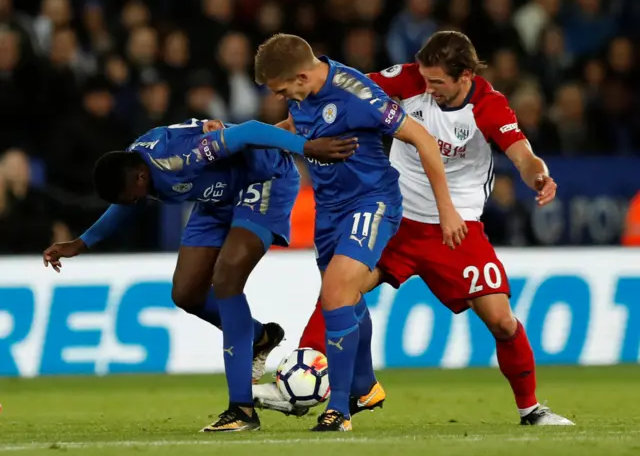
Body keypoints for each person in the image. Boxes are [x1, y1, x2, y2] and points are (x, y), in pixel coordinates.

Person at [254, 31, 574, 426]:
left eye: (438, 82)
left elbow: (523, 155)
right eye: (426, 79)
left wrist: (538, 176)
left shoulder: (489, 105)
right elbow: (342, 90)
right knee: (338, 288)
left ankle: (531, 409)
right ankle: (298, 381)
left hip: (455, 229)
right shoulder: (406, 80)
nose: (429, 88)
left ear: (466, 76)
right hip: (397, 219)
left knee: (502, 322)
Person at [42, 117, 357, 432]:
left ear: (140, 175)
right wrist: (82, 243)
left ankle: (242, 409)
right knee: (186, 292)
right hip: (216, 199)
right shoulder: (135, 167)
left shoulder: (182, 155)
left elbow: (249, 131)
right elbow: (124, 204)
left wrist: (307, 148)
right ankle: (260, 336)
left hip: (262, 180)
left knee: (226, 280)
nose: (136, 201)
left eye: (134, 195)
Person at [253, 33, 465, 432]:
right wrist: (240, 137)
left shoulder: (358, 95)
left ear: (300, 76)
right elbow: (289, 126)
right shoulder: (304, 96)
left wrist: (446, 209)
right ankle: (365, 387)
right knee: (345, 299)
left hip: (371, 203)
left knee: (335, 296)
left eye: (283, 90)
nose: (283, 97)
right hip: (329, 211)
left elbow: (422, 139)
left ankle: (339, 411)